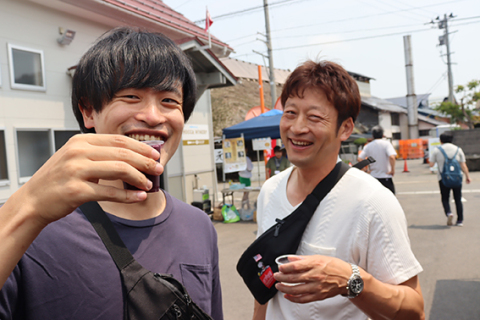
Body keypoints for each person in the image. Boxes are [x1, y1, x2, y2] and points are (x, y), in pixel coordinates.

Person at [0, 27, 223, 319]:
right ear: (89, 111)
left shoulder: (198, 225)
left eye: (169, 101)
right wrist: (26, 207)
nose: (153, 116)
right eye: (131, 96)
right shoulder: (32, 225)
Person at [252, 60, 424, 320]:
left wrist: (350, 279)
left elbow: (414, 309)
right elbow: (265, 288)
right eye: (290, 113)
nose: (297, 128)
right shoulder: (270, 190)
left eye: (314, 117)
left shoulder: (372, 202)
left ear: (345, 128)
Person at [429, 132, 471, 226]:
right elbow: (463, 165)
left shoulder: (437, 150)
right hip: (457, 177)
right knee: (458, 199)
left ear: (440, 140)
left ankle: (449, 213)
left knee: (445, 198)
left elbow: (431, 164)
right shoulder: (458, 149)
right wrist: (467, 176)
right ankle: (460, 220)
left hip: (443, 178)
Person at [357, 125, 397, 194]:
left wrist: (366, 169)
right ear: (383, 134)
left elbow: (360, 158)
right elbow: (392, 157)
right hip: (385, 176)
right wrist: (392, 170)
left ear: (372, 135)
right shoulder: (386, 144)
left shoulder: (368, 146)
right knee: (390, 199)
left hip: (374, 177)